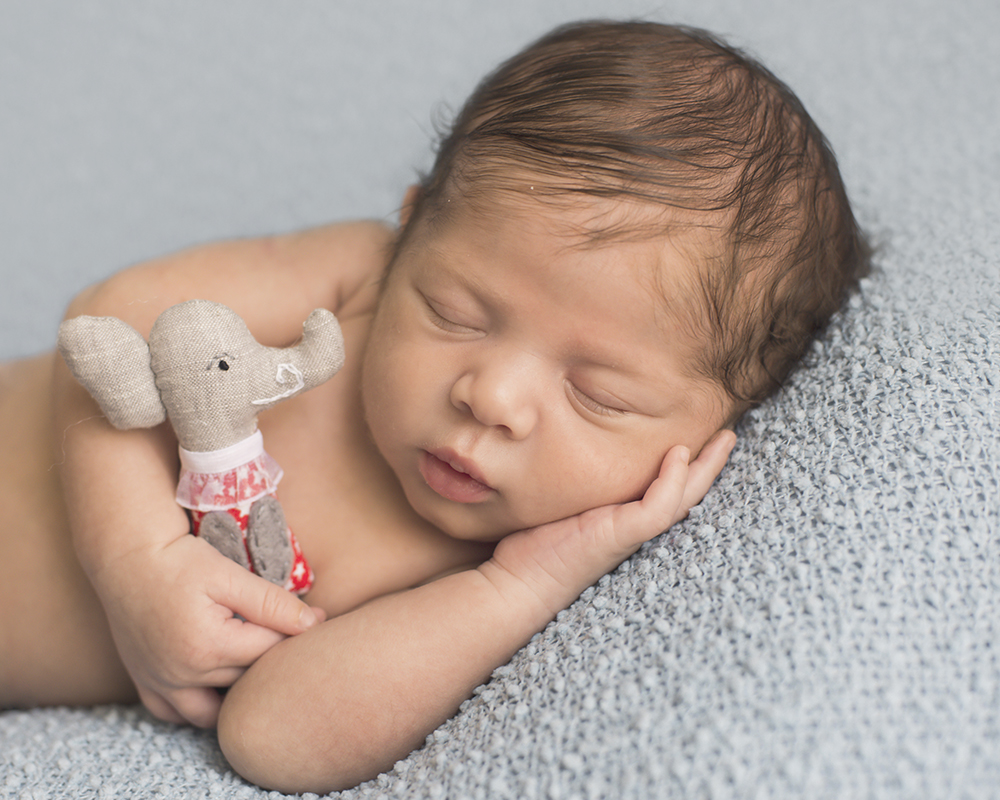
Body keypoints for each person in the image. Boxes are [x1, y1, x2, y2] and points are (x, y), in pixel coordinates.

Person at [0, 19, 870, 794]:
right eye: (454, 312)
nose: (491, 396)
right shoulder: (359, 278)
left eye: (598, 393)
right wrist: (135, 560)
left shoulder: (478, 575)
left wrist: (520, 584)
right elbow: (111, 320)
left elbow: (273, 738)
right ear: (413, 227)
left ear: (713, 433)